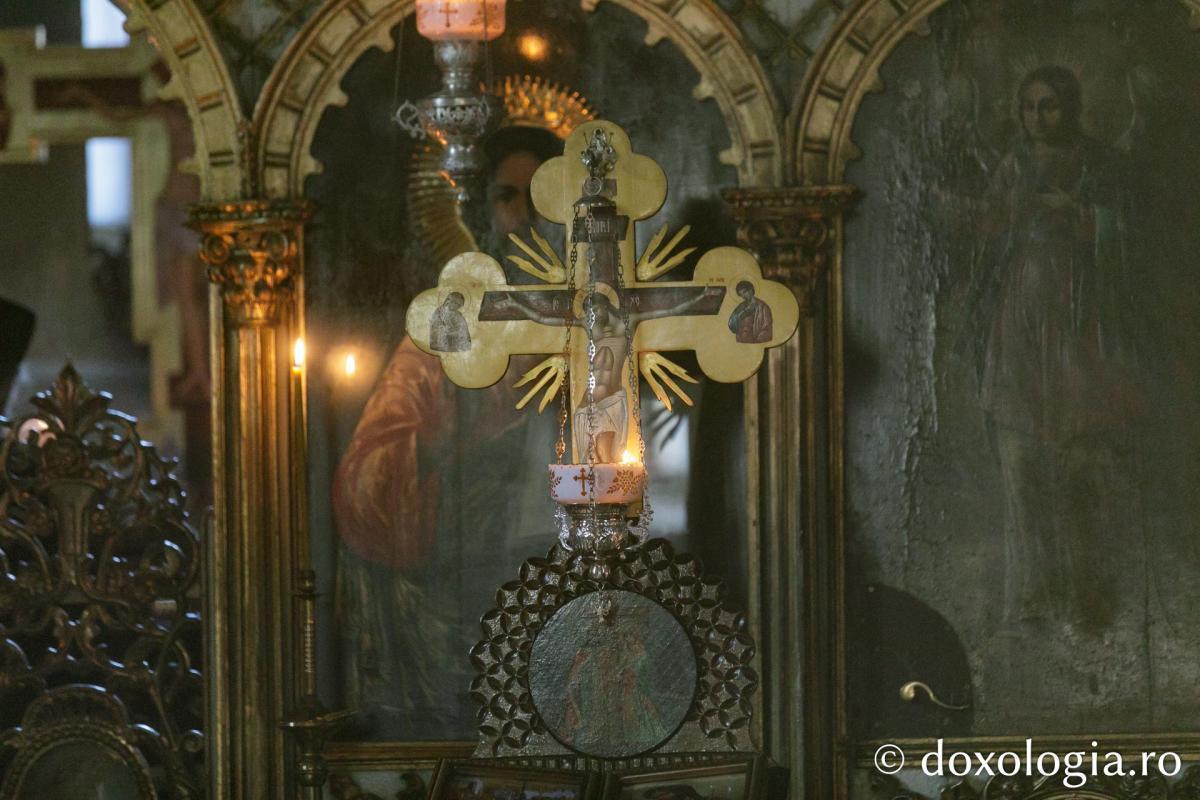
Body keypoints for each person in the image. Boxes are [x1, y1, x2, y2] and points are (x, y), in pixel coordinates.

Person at [331, 125, 564, 737]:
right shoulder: (444, 332)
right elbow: (362, 484)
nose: (525, 216)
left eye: (543, 197)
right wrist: (431, 447)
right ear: (479, 211)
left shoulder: (600, 327)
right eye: (507, 197)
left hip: (569, 587)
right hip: (459, 593)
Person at [969, 65, 1142, 630]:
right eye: (1029, 107)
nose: (1037, 118)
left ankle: (1089, 597)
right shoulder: (1014, 164)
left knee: (1082, 460)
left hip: (1081, 311)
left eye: (1049, 106)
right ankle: (1033, 597)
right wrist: (1000, 212)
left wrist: (1080, 215)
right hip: (1023, 308)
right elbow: (987, 228)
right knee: (1023, 454)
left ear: (1071, 107)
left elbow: (1132, 231)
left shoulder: (1099, 163)